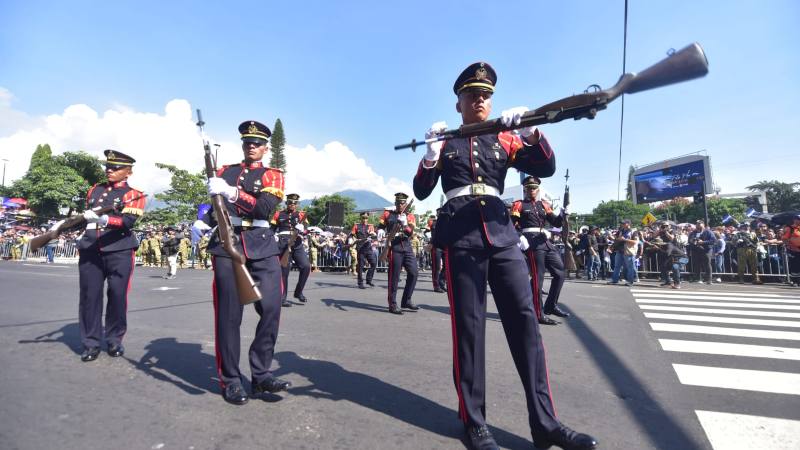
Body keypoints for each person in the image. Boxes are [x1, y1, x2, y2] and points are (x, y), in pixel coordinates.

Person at [413, 62, 596, 450]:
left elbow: (545, 167)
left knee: (526, 323)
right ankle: (474, 423)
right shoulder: (447, 141)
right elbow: (422, 190)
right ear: (459, 101)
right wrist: (430, 156)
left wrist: (530, 134)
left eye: (486, 96)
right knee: (469, 329)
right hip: (462, 237)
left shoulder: (504, 137)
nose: (480, 100)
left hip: (501, 234)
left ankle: (545, 423)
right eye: (472, 95)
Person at [204, 120, 291, 404]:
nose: (251, 146)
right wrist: (201, 215)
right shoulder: (224, 171)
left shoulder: (272, 175)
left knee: (271, 307)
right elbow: (211, 202)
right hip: (227, 245)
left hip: (261, 244)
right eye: (247, 142)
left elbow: (265, 207)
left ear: (266, 148)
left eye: (257, 143)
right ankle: (230, 380)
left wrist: (233, 193)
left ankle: (261, 374)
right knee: (229, 316)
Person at [75, 149, 146, 362]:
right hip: (91, 249)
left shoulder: (134, 194)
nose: (110, 170)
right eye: (108, 166)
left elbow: (127, 223)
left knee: (117, 295)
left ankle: (115, 338)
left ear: (128, 172)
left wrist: (103, 220)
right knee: (90, 297)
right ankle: (90, 342)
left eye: (116, 168)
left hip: (119, 249)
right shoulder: (94, 190)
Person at [511, 176, 567, 326]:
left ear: (538, 189)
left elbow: (555, 222)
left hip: (545, 241)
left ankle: (551, 305)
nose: (532, 190)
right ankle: (538, 313)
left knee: (560, 273)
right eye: (529, 188)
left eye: (534, 188)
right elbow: (510, 225)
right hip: (531, 243)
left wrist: (563, 213)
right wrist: (519, 236)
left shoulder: (544, 205)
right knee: (537, 279)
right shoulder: (519, 205)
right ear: (525, 189)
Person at [378, 193, 419, 314]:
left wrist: (405, 225)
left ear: (406, 204)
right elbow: (380, 226)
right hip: (394, 247)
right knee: (394, 277)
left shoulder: (409, 216)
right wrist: (380, 230)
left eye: (402, 203)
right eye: (398, 203)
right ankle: (392, 304)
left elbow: (410, 233)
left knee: (414, 273)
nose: (400, 205)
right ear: (395, 203)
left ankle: (406, 300)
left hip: (406, 246)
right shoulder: (387, 214)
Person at [272, 193, 311, 306]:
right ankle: (282, 298)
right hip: (283, 243)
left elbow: (307, 229)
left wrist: (303, 229)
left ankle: (298, 292)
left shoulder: (300, 215)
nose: (292, 205)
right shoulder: (278, 214)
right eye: (290, 203)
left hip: (297, 243)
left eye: (295, 203)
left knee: (306, 266)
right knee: (284, 271)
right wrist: (274, 236)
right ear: (286, 203)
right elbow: (272, 229)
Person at [350, 212, 377, 289]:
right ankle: (360, 282)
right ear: (361, 218)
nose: (365, 220)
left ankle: (368, 280)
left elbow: (373, 235)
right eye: (363, 218)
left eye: (366, 218)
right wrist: (354, 240)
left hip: (368, 248)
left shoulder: (370, 226)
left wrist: (373, 234)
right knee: (360, 266)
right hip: (360, 248)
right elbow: (351, 235)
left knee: (374, 263)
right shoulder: (356, 226)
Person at [608, 220, 636, 286]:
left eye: (624, 223)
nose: (622, 224)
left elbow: (635, 242)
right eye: (622, 223)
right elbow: (617, 239)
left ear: (628, 224)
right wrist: (612, 243)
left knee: (630, 267)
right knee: (617, 266)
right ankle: (615, 280)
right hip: (619, 251)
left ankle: (630, 281)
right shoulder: (620, 231)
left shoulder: (633, 231)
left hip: (628, 251)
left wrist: (624, 239)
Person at [688, 220, 716, 284]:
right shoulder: (693, 232)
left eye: (699, 224)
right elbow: (689, 240)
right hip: (696, 251)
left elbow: (713, 240)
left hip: (706, 250)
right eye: (697, 224)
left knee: (707, 265)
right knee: (696, 265)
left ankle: (709, 279)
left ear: (703, 225)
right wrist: (692, 241)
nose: (698, 225)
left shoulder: (708, 232)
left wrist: (703, 242)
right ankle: (698, 279)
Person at [427, 215, 447, 293]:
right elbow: (434, 233)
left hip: (445, 246)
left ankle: (441, 283)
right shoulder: (434, 223)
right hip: (436, 246)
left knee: (446, 266)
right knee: (437, 267)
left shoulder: (448, 221)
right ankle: (436, 286)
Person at [781, 215, 800, 286]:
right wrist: (789, 245)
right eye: (798, 219)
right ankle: (795, 281)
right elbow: (784, 238)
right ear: (794, 220)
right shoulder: (789, 228)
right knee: (795, 266)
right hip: (793, 250)